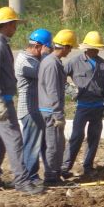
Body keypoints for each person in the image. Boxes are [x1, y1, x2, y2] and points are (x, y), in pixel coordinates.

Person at [0, 6, 44, 194]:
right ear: (7, 25)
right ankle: (22, 182)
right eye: (14, 24)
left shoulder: (1, 43)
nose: (16, 28)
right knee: (15, 139)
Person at [61, 31, 104, 178]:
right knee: (76, 136)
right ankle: (65, 167)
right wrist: (69, 89)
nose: (96, 51)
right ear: (86, 48)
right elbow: (61, 77)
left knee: (94, 137)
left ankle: (88, 166)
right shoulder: (74, 62)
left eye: (98, 49)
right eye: (93, 48)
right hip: (83, 106)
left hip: (98, 106)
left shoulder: (102, 63)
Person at [38, 28, 78, 186]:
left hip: (48, 109)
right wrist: (58, 114)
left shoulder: (51, 61)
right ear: (65, 47)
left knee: (57, 143)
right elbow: (53, 91)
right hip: (51, 112)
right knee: (54, 144)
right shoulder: (52, 64)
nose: (71, 51)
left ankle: (55, 173)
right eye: (70, 47)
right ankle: (51, 177)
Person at [14, 28, 53, 183]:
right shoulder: (25, 61)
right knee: (32, 144)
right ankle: (30, 176)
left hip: (37, 108)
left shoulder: (32, 58)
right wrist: (45, 56)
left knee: (40, 143)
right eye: (46, 49)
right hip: (29, 109)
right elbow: (43, 73)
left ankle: (42, 173)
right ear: (38, 46)